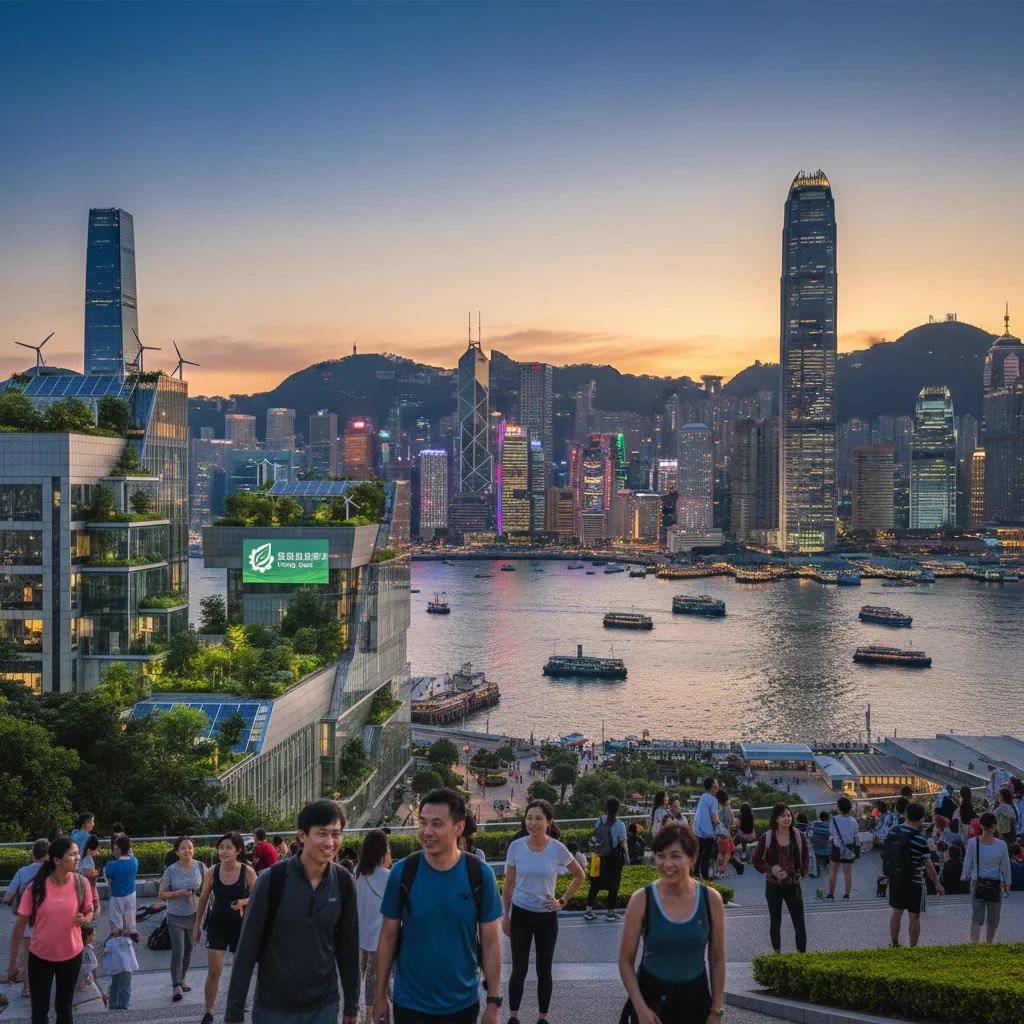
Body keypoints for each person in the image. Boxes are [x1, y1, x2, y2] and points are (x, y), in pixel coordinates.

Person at [374, 788, 503, 1024]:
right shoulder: (403, 873)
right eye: (422, 823)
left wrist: (493, 1003)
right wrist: (379, 995)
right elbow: (388, 936)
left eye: (437, 824)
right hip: (410, 1003)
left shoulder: (479, 875)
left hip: (462, 1003)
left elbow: (491, 941)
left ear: (459, 828)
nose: (427, 832)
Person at [225, 800, 359, 1024]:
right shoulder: (272, 880)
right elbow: (247, 948)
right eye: (322, 833)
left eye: (336, 834)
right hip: (274, 1008)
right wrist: (234, 1013)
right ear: (302, 835)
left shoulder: (344, 882)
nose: (330, 842)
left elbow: (348, 948)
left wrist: (351, 1006)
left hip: (324, 1006)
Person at [617, 822, 725, 1024]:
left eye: (675, 856)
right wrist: (640, 1009)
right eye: (660, 855)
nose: (667, 864)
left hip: (695, 1002)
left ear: (692, 858)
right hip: (652, 1002)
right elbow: (625, 961)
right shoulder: (642, 899)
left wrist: (716, 1010)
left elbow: (717, 958)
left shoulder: (711, 900)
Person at [502, 800, 585, 1024]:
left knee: (544, 971)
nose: (533, 823)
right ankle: (513, 1017)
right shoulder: (516, 847)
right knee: (518, 970)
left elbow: (580, 875)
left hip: (547, 917)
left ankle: (542, 1017)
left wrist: (562, 901)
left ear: (549, 822)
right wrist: (505, 915)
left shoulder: (556, 848)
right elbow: (508, 885)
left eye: (539, 818)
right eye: (529, 818)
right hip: (520, 915)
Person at [7, 837, 94, 1024]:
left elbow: (89, 909)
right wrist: (13, 962)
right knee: (39, 1013)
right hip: (40, 958)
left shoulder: (81, 883)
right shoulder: (35, 888)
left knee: (64, 1010)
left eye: (78, 853)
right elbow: (19, 926)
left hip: (72, 955)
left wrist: (85, 918)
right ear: (56, 860)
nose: (78, 857)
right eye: (72, 854)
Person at [194, 832, 258, 1024]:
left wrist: (244, 901)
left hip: (240, 926)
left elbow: (258, 897)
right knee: (214, 971)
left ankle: (237, 1008)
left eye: (228, 847)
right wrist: (197, 925)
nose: (223, 851)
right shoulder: (212, 871)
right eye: (221, 847)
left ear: (238, 850)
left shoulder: (247, 871)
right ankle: (209, 1012)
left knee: (239, 970)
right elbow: (203, 898)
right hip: (217, 925)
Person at [752, 804, 809, 954]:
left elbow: (806, 859)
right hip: (773, 885)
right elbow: (756, 860)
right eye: (783, 816)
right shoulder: (768, 837)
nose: (787, 819)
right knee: (775, 921)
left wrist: (800, 874)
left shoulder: (799, 836)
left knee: (799, 923)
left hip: (793, 885)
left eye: (789, 815)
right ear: (776, 818)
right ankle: (777, 953)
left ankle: (801, 955)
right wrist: (771, 868)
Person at [887, 802, 944, 947]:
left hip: (895, 878)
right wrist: (937, 883)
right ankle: (913, 947)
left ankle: (894, 943)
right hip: (914, 881)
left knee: (896, 912)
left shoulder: (893, 831)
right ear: (921, 819)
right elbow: (928, 864)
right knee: (914, 916)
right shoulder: (920, 839)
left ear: (905, 814)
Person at [158, 835, 205, 1003]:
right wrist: (178, 893)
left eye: (190, 847)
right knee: (178, 951)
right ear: (177, 852)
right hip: (175, 916)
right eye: (183, 848)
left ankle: (182, 978)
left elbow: (208, 888)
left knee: (189, 950)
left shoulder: (201, 867)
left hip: (194, 915)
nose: (187, 850)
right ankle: (176, 985)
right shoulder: (171, 870)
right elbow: (162, 894)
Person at [355, 830, 392, 1024]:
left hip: (362, 937)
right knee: (376, 980)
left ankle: (367, 1016)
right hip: (381, 939)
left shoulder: (358, 872)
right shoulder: (388, 875)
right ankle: (370, 1018)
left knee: (365, 979)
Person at [4, 838, 49, 999]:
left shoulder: (22, 872)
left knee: (27, 960)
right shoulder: (52, 872)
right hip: (48, 924)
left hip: (27, 924)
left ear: (33, 854)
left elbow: (8, 897)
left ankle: (28, 989)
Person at [961, 811, 1011, 944]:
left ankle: (974, 945)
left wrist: (964, 874)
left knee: (977, 917)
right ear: (995, 826)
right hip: (996, 883)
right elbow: (1006, 866)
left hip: (977, 881)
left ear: (981, 826)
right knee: (993, 919)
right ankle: (988, 944)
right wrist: (1008, 884)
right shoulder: (1001, 845)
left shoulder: (973, 842)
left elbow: (968, 861)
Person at [585, 797, 629, 921]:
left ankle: (589, 910)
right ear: (618, 809)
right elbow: (623, 843)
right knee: (614, 885)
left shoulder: (600, 819)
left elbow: (597, 836)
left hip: (600, 856)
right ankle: (610, 912)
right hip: (614, 858)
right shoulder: (620, 824)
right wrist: (627, 857)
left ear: (607, 808)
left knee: (595, 884)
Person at [103, 835, 138, 939]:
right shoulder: (135, 861)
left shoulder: (111, 865)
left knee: (116, 919)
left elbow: (109, 883)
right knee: (130, 915)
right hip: (131, 894)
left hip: (117, 895)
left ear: (118, 848)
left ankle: (117, 935)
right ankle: (131, 932)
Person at [826, 797, 858, 900]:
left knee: (833, 872)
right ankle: (846, 895)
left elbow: (831, 831)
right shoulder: (853, 820)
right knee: (848, 874)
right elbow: (855, 833)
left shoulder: (835, 819)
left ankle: (831, 895)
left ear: (839, 808)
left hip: (837, 847)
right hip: (849, 848)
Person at [101, 929, 137, 1010]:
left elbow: (106, 951)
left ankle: (114, 1005)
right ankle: (124, 1004)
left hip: (117, 970)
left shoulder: (111, 944)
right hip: (127, 968)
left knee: (115, 988)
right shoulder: (126, 942)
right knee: (125, 988)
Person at [693, 778, 721, 881]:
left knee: (699, 853)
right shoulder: (713, 800)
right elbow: (714, 817)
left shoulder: (703, 797)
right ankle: (705, 876)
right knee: (706, 855)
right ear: (712, 787)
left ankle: (696, 872)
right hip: (707, 832)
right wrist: (721, 827)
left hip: (698, 829)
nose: (718, 786)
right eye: (716, 784)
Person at [72, 925, 105, 1013]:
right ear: (87, 936)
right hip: (86, 985)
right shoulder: (87, 952)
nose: (95, 937)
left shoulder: (76, 947)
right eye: (93, 934)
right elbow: (94, 972)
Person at [77, 837, 101, 920]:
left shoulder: (80, 858)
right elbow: (91, 883)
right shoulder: (89, 861)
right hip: (88, 892)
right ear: (91, 850)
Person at [808, 811, 831, 878]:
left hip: (816, 849)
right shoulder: (830, 827)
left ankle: (816, 865)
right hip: (827, 850)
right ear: (827, 818)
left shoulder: (814, 825)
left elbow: (808, 835)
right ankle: (828, 862)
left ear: (820, 818)